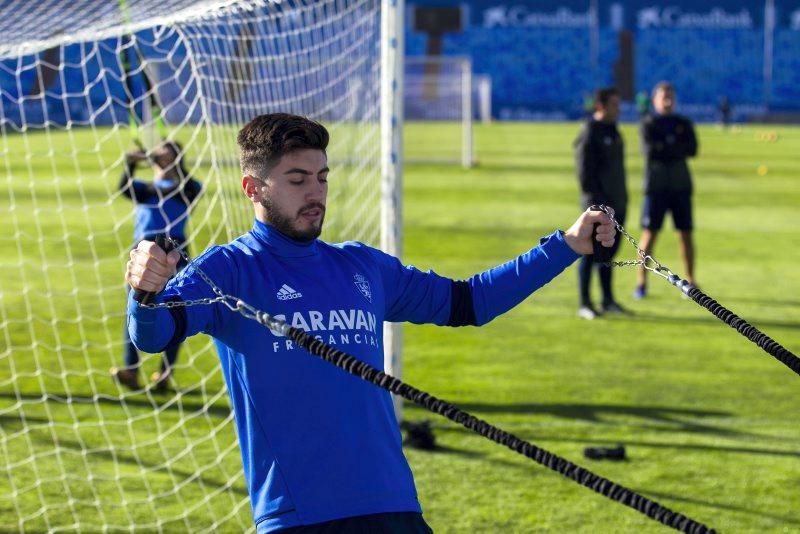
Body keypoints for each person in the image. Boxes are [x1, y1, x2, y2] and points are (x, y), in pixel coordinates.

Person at [125, 113, 616, 533]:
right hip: (300, 517)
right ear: (253, 188)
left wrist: (566, 245)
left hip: (394, 505)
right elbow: (153, 334)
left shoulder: (363, 266)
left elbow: (471, 302)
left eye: (322, 177)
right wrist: (143, 291)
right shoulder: (228, 269)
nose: (315, 192)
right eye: (297, 180)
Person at [112, 140, 202, 391]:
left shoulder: (186, 187)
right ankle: (131, 371)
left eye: (169, 152)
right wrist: (131, 164)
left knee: (174, 307)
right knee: (137, 307)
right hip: (142, 249)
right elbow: (124, 187)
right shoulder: (146, 188)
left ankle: (164, 373)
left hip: (174, 248)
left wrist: (173, 164)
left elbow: (189, 186)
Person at [634, 82, 698, 299]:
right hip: (656, 187)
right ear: (655, 101)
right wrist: (674, 147)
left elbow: (692, 149)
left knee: (685, 234)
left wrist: (668, 147)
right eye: (664, 98)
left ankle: (690, 281)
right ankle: (641, 282)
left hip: (680, 186)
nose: (668, 101)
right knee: (649, 235)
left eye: (671, 97)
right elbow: (650, 151)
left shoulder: (683, 123)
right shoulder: (648, 124)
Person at [572, 87, 628, 320]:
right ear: (600, 106)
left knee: (608, 253)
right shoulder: (590, 132)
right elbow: (584, 174)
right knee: (590, 252)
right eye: (614, 104)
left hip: (618, 202)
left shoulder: (614, 130)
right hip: (598, 206)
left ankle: (607, 300)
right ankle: (585, 303)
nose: (619, 109)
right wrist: (597, 204)